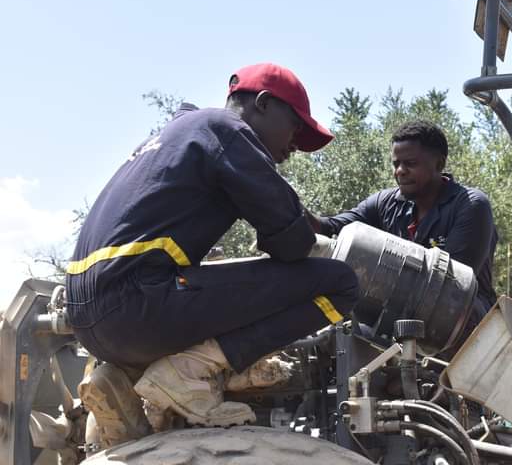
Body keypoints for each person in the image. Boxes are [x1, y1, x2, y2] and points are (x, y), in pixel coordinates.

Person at [65, 63, 359, 438]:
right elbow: (294, 244)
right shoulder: (228, 132)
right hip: (132, 306)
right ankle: (194, 371)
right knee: (339, 283)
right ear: (264, 104)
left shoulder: (176, 135)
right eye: (296, 129)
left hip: (90, 322)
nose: (293, 148)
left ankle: (122, 377)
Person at [308, 120, 497, 326]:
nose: (400, 171)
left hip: (462, 322)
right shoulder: (386, 203)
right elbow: (328, 228)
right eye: (396, 164)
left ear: (439, 164)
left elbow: (452, 288)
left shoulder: (470, 205)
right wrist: (282, 201)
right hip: (400, 315)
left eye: (410, 164)